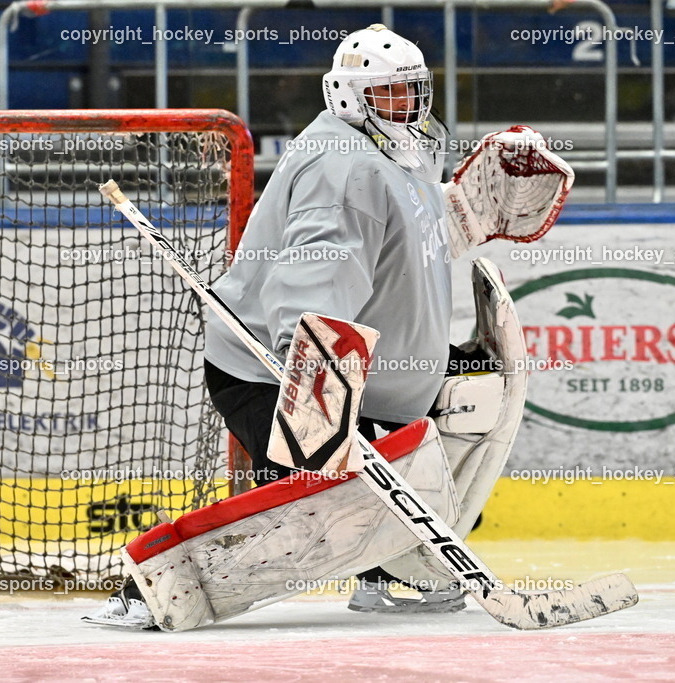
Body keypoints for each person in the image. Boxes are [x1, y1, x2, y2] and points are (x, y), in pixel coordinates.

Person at [202, 23, 475, 613]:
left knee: (361, 497)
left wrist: (469, 211)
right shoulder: (345, 167)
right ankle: (161, 586)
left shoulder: (399, 151)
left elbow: (400, 244)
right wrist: (315, 390)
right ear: (348, 95)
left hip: (366, 379)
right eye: (390, 93)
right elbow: (317, 278)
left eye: (413, 90)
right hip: (285, 374)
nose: (408, 105)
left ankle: (383, 570)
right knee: (310, 506)